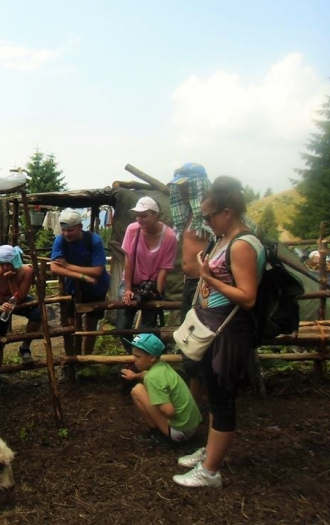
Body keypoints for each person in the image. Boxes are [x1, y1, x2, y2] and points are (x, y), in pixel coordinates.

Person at [173, 176, 266, 489]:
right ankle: (210, 453)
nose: (207, 223)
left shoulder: (241, 245)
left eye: (209, 217)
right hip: (215, 327)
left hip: (229, 331)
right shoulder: (226, 239)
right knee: (215, 393)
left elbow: (248, 296)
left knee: (223, 397)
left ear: (227, 212)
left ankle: (210, 471)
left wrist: (207, 279)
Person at [168, 163, 212, 402]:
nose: (183, 192)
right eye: (180, 188)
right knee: (188, 338)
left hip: (207, 286)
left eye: (187, 187)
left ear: (198, 185)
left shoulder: (210, 217)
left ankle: (202, 395)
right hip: (190, 284)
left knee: (202, 338)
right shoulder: (187, 216)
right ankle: (196, 393)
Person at [50, 208, 110, 377]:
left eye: (70, 230)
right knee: (70, 325)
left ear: (79, 226)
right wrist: (83, 275)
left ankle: (86, 359)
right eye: (64, 230)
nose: (66, 234)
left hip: (96, 288)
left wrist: (68, 267)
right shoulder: (60, 240)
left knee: (90, 325)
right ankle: (71, 360)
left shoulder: (94, 240)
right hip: (72, 289)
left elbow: (98, 271)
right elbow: (54, 266)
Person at [117, 196, 177, 351]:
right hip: (131, 280)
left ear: (155, 215)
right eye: (138, 215)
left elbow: (164, 268)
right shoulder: (133, 230)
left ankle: (147, 359)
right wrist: (128, 289)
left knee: (147, 328)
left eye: (144, 215)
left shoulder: (169, 236)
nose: (140, 219)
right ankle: (134, 356)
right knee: (122, 326)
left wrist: (157, 292)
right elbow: (128, 260)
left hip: (153, 284)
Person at [121, 333, 201, 446]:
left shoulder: (152, 378)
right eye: (133, 355)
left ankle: (156, 435)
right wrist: (134, 376)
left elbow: (169, 411)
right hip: (191, 426)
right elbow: (146, 374)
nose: (134, 360)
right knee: (141, 389)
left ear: (152, 357)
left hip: (180, 432)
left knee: (137, 391)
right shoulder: (161, 367)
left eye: (138, 357)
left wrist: (156, 400)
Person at [0, 245, 42, 392]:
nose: (4, 267)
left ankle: (25, 347)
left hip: (17, 300)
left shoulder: (26, 271)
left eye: (7, 263)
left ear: (15, 260)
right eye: (1, 264)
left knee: (38, 313)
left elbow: (19, 298)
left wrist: (10, 280)